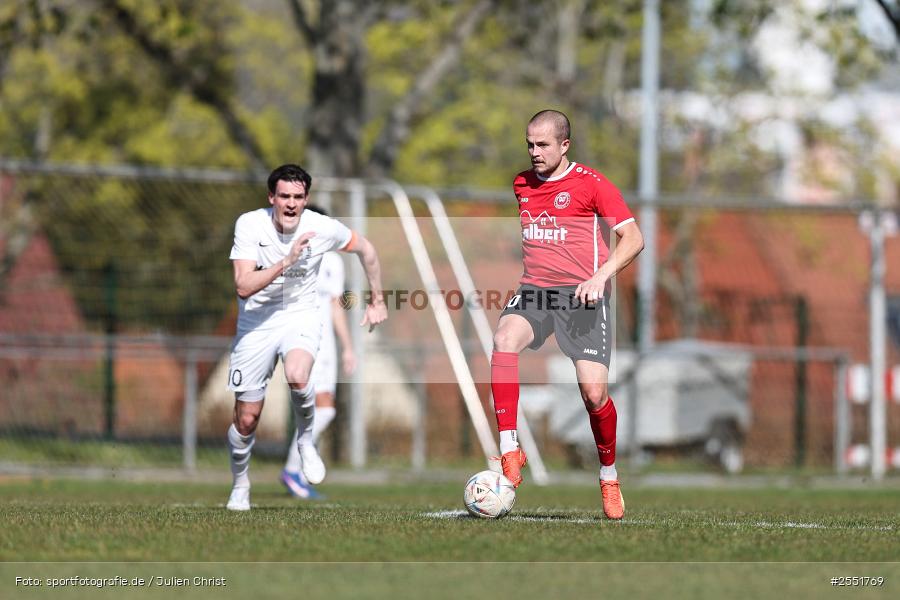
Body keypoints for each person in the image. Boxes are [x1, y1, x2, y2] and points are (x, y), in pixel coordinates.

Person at [492, 110, 643, 520]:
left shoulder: (592, 185)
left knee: (594, 394)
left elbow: (634, 237)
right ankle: (509, 450)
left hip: (583, 298)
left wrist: (600, 277)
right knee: (504, 340)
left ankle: (608, 475)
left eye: (542, 145)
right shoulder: (521, 183)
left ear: (564, 145)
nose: (534, 152)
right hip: (536, 292)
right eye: (529, 144)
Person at [225, 164, 386, 511]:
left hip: (301, 315)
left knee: (299, 376)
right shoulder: (250, 224)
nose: (291, 204)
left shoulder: (321, 227)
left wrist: (378, 300)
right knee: (247, 419)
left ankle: (306, 443)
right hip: (256, 323)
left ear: (306, 199)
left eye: (298, 197)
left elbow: (367, 250)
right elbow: (243, 285)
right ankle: (240, 485)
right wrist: (287, 260)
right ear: (272, 197)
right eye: (284, 196)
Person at [280, 204, 356, 499]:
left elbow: (336, 306)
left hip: (326, 345)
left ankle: (294, 468)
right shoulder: (287, 256)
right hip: (301, 339)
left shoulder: (333, 262)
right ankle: (293, 469)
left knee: (324, 408)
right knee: (318, 407)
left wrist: (347, 346)